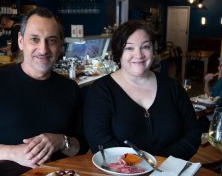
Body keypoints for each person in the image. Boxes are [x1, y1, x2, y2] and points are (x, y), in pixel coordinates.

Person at [0, 7, 86, 169]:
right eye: (34, 39)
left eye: (51, 40)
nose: (43, 49)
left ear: (60, 45)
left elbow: (81, 146)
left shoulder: (70, 89)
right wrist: (12, 153)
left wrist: (60, 140)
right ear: (20, 41)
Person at [83, 20, 201, 160]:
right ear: (118, 52)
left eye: (145, 46)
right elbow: (100, 142)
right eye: (129, 48)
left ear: (153, 50)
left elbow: (192, 133)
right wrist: (139, 166)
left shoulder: (172, 87)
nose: (138, 55)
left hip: (169, 175)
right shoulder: (101, 91)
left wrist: (161, 163)